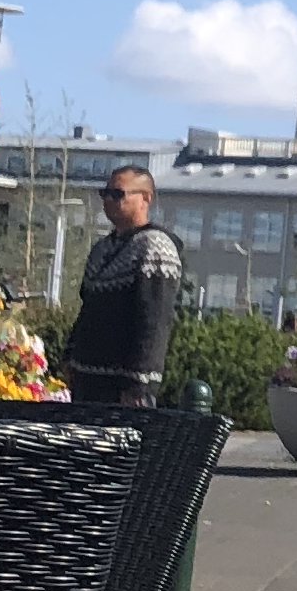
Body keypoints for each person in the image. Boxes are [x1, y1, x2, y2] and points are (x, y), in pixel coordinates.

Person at [66, 165, 182, 411]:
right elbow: (87, 312)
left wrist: (140, 385)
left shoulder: (156, 247)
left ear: (145, 198)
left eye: (117, 194)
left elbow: (154, 322)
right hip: (87, 383)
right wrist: (70, 359)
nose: (108, 200)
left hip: (122, 390)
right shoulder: (101, 249)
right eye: (105, 193)